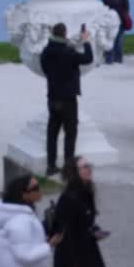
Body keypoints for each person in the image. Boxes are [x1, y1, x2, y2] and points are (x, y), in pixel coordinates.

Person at [41, 23, 94, 177]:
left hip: (52, 96)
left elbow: (45, 69)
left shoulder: (46, 51)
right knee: (70, 133)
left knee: (52, 133)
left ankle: (51, 166)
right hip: (68, 99)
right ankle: (68, 167)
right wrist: (85, 41)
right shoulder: (68, 52)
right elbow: (87, 58)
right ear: (64, 34)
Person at [101, 0, 130, 64]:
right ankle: (109, 58)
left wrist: (125, 15)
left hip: (121, 20)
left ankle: (118, 58)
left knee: (119, 40)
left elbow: (127, 5)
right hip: (110, 21)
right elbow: (103, 8)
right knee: (110, 39)